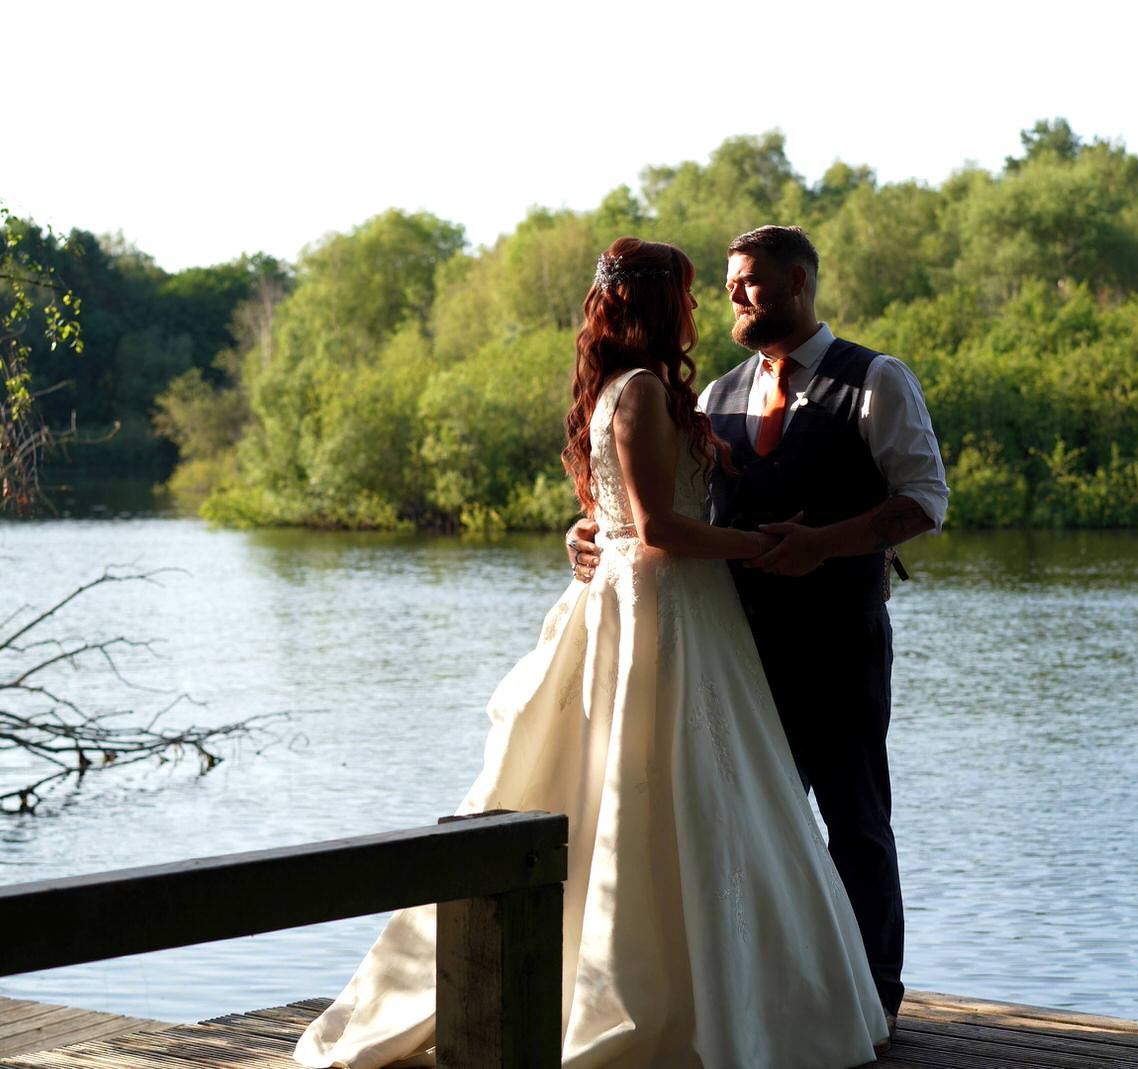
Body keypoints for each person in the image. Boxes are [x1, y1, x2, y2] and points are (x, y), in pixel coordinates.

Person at [295, 237, 889, 1069]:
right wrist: (762, 545)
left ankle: (696, 983)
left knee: (680, 787)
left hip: (673, 604)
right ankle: (688, 997)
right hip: (664, 609)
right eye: (692, 292)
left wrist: (600, 533)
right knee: (660, 786)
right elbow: (654, 529)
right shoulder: (644, 391)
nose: (702, 308)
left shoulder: (642, 388)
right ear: (658, 303)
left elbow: (624, 516)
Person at [569, 225, 948, 1038]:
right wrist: (590, 530)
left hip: (840, 642)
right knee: (744, 820)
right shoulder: (714, 395)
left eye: (750, 282)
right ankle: (762, 991)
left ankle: (873, 995)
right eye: (729, 283)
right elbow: (663, 513)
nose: (734, 296)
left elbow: (924, 501)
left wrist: (825, 543)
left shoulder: (876, 380)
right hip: (726, 647)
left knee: (856, 820)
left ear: (800, 283)